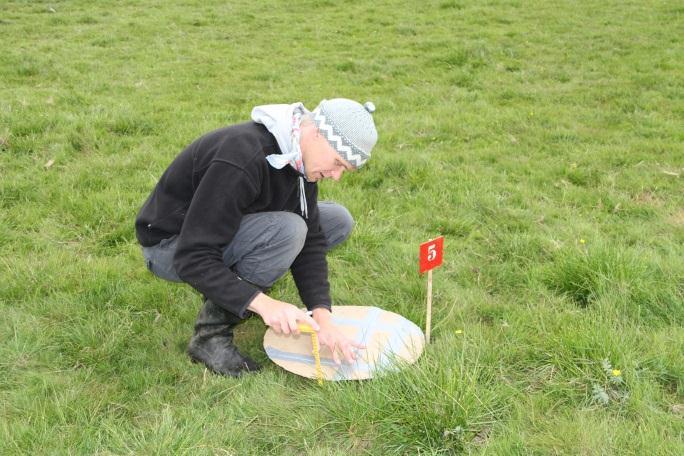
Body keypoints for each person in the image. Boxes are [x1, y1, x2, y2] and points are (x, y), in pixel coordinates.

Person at [135, 98, 378, 377]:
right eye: (337, 163)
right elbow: (193, 257)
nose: (335, 176)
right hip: (170, 246)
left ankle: (244, 282)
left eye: (344, 170)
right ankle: (210, 336)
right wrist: (265, 304)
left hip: (225, 226)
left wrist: (323, 316)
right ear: (315, 134)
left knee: (336, 220)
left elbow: (311, 243)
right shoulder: (243, 157)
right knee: (288, 231)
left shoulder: (299, 158)